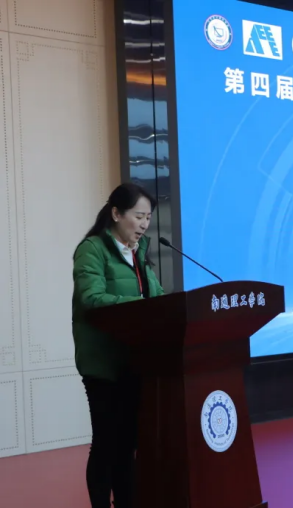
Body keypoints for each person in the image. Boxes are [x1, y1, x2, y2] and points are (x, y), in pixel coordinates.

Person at [72, 183, 164, 508]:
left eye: (148, 218)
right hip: (104, 364)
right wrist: (140, 305)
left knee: (127, 444)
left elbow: (159, 302)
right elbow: (92, 298)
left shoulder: (139, 254)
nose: (144, 224)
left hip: (135, 363)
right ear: (116, 213)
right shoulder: (92, 249)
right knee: (106, 443)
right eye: (138, 216)